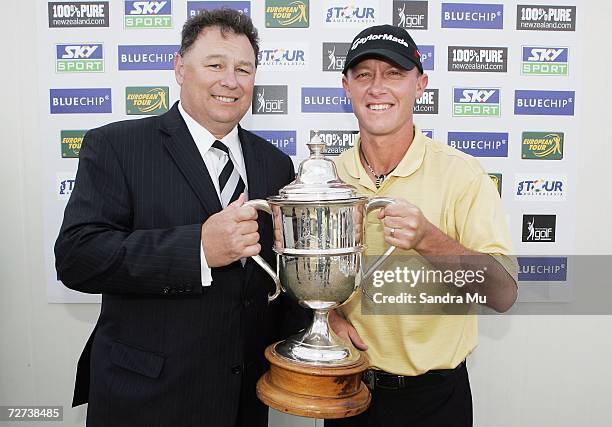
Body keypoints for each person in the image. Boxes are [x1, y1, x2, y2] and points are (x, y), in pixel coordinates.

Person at [55, 9, 304, 427]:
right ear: (180, 68)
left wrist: (321, 323)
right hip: (146, 400)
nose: (231, 80)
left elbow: (280, 276)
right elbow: (78, 257)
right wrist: (198, 249)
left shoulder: (276, 165)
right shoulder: (117, 146)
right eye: (215, 65)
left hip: (243, 400)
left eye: (244, 68)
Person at [326, 25, 518, 426]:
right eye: (364, 75)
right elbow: (304, 278)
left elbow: (502, 294)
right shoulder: (327, 177)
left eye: (394, 73)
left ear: (420, 85)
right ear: (347, 88)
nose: (377, 87)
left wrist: (429, 239)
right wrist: (327, 318)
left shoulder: (462, 174)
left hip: (435, 401)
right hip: (347, 391)